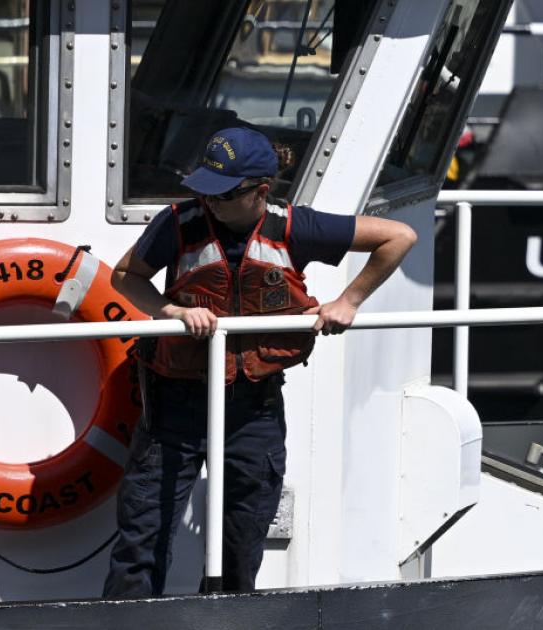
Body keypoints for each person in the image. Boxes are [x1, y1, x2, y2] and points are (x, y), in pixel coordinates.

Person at [102, 127, 417, 597]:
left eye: (224, 194)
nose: (211, 203)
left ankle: (227, 622)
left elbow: (399, 236)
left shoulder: (295, 227)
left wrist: (348, 301)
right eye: (206, 191)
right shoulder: (179, 223)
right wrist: (172, 311)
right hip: (174, 406)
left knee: (242, 542)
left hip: (253, 409)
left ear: (260, 192)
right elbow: (126, 275)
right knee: (142, 537)